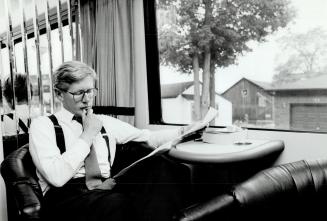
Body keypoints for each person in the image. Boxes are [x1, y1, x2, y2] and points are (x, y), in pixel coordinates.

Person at [29, 61, 195, 221]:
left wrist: (184, 131)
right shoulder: (43, 126)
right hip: (66, 198)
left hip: (105, 188)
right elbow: (56, 177)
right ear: (59, 94)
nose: (87, 99)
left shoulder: (104, 121)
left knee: (168, 168)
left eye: (90, 91)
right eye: (79, 93)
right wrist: (87, 135)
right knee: (117, 204)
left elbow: (148, 136)